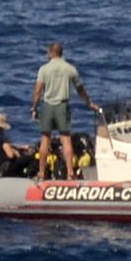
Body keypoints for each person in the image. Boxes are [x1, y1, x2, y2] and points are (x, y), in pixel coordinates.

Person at [31, 42, 100, 180]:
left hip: (48, 106)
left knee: (45, 140)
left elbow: (38, 91)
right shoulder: (70, 69)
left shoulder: (44, 69)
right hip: (62, 106)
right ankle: (70, 173)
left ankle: (41, 173)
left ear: (51, 53)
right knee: (66, 139)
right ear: (61, 53)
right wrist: (88, 102)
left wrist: (34, 107)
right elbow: (80, 89)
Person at [0, 112, 36, 177]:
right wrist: (16, 152)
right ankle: (29, 177)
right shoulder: (1, 136)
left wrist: (19, 148)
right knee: (31, 158)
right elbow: (10, 155)